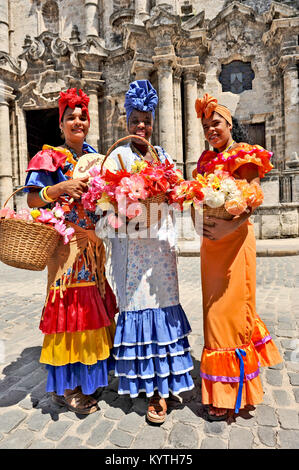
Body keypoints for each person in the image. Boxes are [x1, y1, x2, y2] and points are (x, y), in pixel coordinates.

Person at [97, 80, 194, 424]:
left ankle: (163, 387)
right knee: (137, 309)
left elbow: (175, 195)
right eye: (136, 120)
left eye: (147, 120)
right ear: (126, 121)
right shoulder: (116, 159)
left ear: (153, 121)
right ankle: (147, 386)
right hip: (133, 251)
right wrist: (125, 209)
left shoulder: (163, 156)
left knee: (163, 310)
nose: (142, 126)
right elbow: (104, 211)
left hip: (161, 254)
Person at [24, 88, 117, 414]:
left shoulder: (95, 158)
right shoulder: (49, 157)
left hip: (92, 246)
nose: (78, 121)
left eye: (82, 116)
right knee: (71, 313)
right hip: (65, 247)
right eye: (71, 117)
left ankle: (87, 380)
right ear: (61, 124)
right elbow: (32, 199)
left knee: (92, 308)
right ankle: (65, 387)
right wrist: (59, 188)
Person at [192, 93, 282, 420]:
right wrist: (198, 224)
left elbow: (251, 202)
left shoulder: (245, 155)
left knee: (231, 315)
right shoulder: (204, 160)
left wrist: (226, 230)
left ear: (229, 124)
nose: (211, 130)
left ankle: (233, 393)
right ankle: (221, 386)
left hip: (235, 244)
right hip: (210, 247)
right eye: (206, 126)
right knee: (213, 316)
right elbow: (197, 199)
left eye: (215, 123)